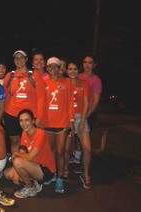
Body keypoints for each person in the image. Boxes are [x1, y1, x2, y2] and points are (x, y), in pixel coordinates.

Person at [4, 109, 56, 198]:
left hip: (46, 170)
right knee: (8, 174)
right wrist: (16, 169)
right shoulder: (24, 132)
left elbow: (30, 156)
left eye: (27, 120)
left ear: (33, 121)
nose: (24, 123)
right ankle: (35, 182)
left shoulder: (40, 133)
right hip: (33, 165)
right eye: (21, 120)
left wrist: (16, 154)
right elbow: (22, 151)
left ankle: (30, 187)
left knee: (17, 162)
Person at [3, 50, 46, 153]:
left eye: (21, 57)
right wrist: (4, 114)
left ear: (26, 59)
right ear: (14, 60)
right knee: (14, 142)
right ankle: (16, 165)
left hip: (29, 116)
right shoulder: (10, 76)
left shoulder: (34, 75)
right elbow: (6, 96)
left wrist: (39, 117)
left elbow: (41, 97)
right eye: (16, 58)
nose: (19, 60)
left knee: (29, 143)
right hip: (11, 114)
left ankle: (27, 166)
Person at [44, 57, 74, 193]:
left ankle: (60, 179)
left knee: (60, 152)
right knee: (50, 152)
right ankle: (51, 174)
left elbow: (70, 103)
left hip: (62, 123)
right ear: (47, 68)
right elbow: (39, 102)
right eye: (50, 67)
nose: (53, 69)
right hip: (47, 123)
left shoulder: (67, 82)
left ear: (59, 67)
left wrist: (71, 121)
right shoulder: (43, 82)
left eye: (55, 66)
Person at [64, 61, 91, 189]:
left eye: (75, 69)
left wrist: (82, 121)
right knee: (67, 149)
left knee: (87, 149)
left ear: (78, 71)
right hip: (67, 118)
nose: (72, 71)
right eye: (70, 69)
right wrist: (70, 122)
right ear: (66, 71)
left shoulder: (84, 84)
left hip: (81, 117)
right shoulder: (63, 83)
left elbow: (86, 103)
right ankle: (64, 171)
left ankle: (85, 174)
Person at [78, 54, 102, 131]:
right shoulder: (77, 76)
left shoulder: (96, 80)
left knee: (84, 140)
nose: (87, 65)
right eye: (85, 62)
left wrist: (85, 116)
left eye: (90, 62)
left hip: (89, 114)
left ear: (94, 65)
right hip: (76, 113)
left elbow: (95, 102)